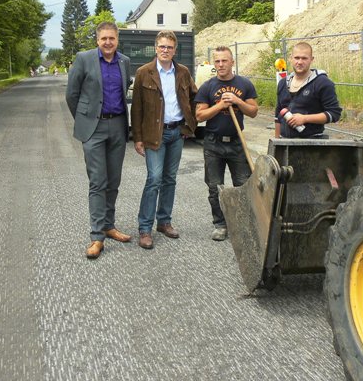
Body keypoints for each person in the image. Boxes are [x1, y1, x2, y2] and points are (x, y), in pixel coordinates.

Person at [65, 22, 133, 259]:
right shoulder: (84, 59)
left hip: (117, 125)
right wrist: (85, 120)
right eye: (103, 38)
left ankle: (109, 225)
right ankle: (96, 237)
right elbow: (71, 94)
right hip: (93, 128)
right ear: (97, 40)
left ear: (117, 40)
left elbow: (124, 93)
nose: (108, 42)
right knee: (98, 182)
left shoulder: (124, 61)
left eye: (111, 39)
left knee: (114, 180)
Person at [131, 30, 198, 250]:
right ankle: (144, 228)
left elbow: (194, 99)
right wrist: (137, 138)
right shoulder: (144, 73)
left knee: (170, 179)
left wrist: (189, 125)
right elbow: (137, 108)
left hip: (176, 133)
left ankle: (164, 222)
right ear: (156, 48)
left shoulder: (183, 72)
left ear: (175, 50)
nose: (165, 50)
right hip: (153, 134)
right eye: (162, 46)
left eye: (169, 47)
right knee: (154, 179)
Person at [195, 46, 258, 241]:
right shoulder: (208, 87)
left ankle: (241, 224)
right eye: (217, 61)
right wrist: (220, 105)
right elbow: (199, 115)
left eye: (224, 61)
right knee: (215, 187)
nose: (221, 65)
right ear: (214, 64)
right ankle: (220, 225)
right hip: (213, 144)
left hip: (237, 143)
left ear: (232, 62)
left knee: (243, 185)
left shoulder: (244, 84)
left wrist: (238, 101)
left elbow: (253, 111)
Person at [274, 42, 342, 139]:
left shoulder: (322, 83)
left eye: (304, 58)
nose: (300, 62)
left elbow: (334, 114)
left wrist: (305, 118)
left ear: (311, 59)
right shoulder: (282, 83)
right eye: (297, 58)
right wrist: (277, 142)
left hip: (312, 146)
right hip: (285, 145)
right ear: (291, 58)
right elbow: (278, 117)